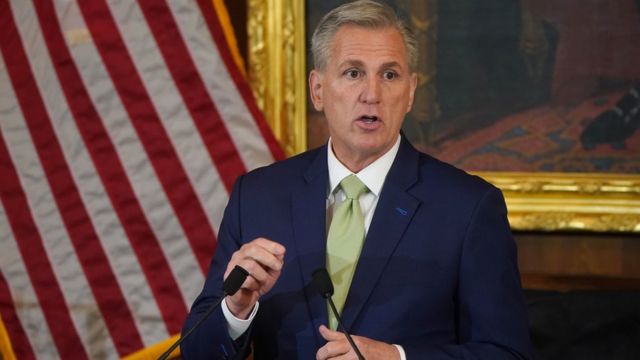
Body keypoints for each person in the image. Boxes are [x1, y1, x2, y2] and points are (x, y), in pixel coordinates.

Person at [181, 1, 532, 359]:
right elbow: (198, 351)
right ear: (317, 90)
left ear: (410, 92)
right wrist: (236, 310)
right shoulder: (257, 197)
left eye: (389, 75)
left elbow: (507, 353)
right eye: (353, 73)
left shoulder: (468, 208)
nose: (372, 94)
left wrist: (397, 358)